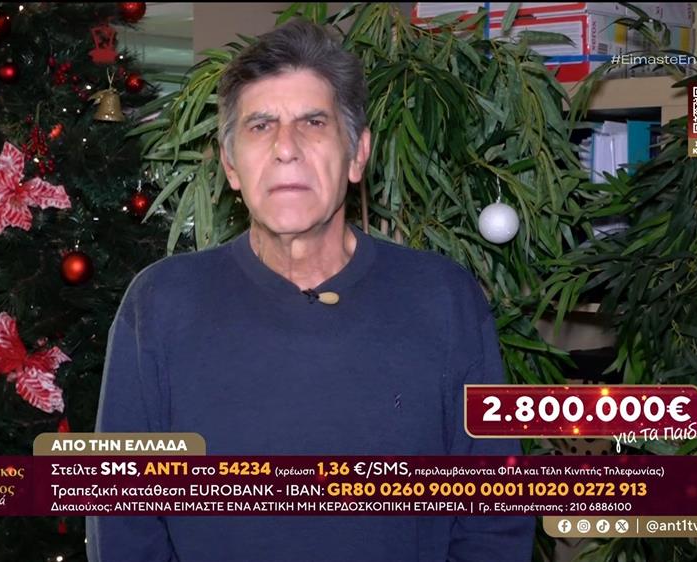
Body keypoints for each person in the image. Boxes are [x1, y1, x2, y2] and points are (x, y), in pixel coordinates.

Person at [87, 18, 533, 562]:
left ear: (357, 154)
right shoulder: (160, 305)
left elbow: (495, 519)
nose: (285, 148)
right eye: (260, 126)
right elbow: (124, 526)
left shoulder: (444, 300)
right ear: (231, 165)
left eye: (313, 122)